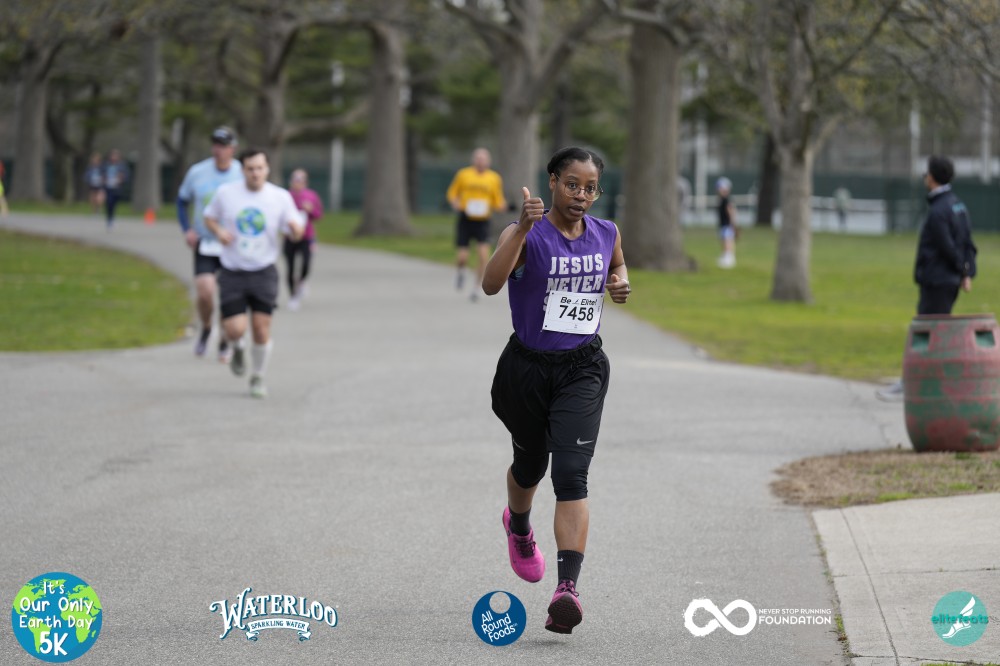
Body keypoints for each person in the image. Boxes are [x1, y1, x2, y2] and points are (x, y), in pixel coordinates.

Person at [482, 146, 630, 635]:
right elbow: (490, 284)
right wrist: (522, 229)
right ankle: (519, 526)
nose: (580, 195)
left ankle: (567, 589)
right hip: (527, 370)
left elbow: (617, 266)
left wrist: (619, 283)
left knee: (571, 473)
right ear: (552, 181)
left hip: (581, 368)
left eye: (590, 188)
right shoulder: (526, 233)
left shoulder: (607, 232)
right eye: (571, 184)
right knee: (530, 466)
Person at [203, 147, 305, 399]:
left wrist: (295, 230)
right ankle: (237, 347)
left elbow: (296, 229)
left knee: (261, 329)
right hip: (233, 270)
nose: (255, 173)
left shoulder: (279, 197)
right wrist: (219, 232)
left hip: (264, 271)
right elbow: (209, 217)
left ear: (267, 169)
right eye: (250, 169)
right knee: (234, 329)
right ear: (242, 170)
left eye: (260, 168)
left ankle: (258, 376)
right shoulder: (226, 193)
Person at [876, 155, 977, 402]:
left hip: (937, 281)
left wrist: (963, 270)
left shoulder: (939, 211)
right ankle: (926, 383)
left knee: (926, 335)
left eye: (926, 173)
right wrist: (967, 272)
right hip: (948, 281)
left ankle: (913, 385)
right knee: (935, 333)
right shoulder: (958, 205)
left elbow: (948, 247)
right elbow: (968, 244)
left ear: (931, 178)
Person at [176, 126, 244, 361]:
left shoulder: (241, 173)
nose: (218, 150)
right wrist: (187, 230)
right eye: (215, 144)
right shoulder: (197, 172)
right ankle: (206, 327)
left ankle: (225, 339)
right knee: (205, 292)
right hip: (205, 241)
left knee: (227, 295)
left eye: (223, 146)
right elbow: (182, 201)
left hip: (231, 245)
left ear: (233, 149)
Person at [446, 147, 507, 301]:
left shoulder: (494, 178)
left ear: (488, 161)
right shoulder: (464, 174)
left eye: (483, 159)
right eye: (478, 158)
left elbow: (497, 200)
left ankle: (476, 288)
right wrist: (455, 203)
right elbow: (452, 193)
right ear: (473, 160)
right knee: (462, 257)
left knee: (483, 256)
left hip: (483, 221)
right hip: (466, 219)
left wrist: (501, 206)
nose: (480, 162)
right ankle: (460, 271)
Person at [284, 168, 324, 311]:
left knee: (306, 264)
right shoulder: (286, 196)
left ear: (305, 182)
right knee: (290, 267)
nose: (298, 183)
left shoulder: (311, 196)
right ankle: (293, 296)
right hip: (290, 237)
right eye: (295, 180)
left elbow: (319, 215)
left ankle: (301, 281)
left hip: (307, 236)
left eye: (301, 180)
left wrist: (311, 210)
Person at [102, 149, 129, 230]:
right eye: (112, 156)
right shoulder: (106, 165)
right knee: (109, 203)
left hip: (117, 188)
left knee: (114, 203)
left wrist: (122, 178)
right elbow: (101, 174)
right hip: (108, 187)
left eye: (115, 156)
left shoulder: (121, 166)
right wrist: (103, 180)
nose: (114, 157)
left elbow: (126, 176)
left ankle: (112, 217)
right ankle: (109, 219)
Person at [716, 177, 737, 268]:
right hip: (723, 224)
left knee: (727, 240)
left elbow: (731, 211)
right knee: (723, 240)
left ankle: (729, 258)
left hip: (727, 224)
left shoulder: (727, 200)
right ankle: (725, 255)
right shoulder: (722, 199)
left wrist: (732, 223)